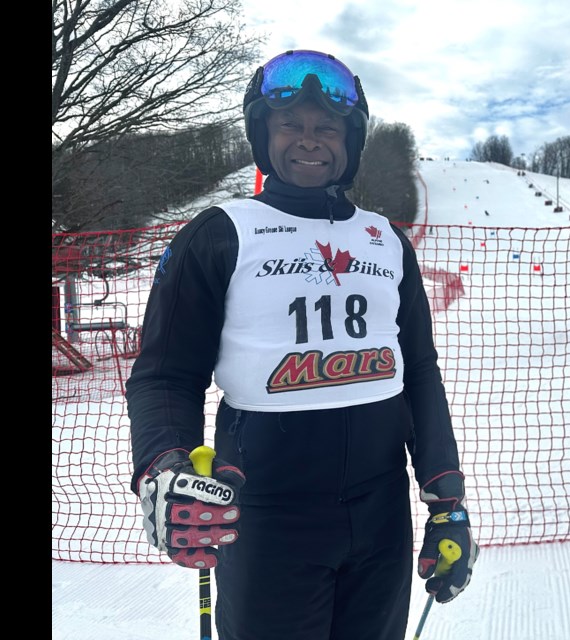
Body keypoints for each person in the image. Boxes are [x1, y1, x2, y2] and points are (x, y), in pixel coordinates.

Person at [126, 49, 478, 640]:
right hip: (265, 516)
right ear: (264, 135)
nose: (309, 140)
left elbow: (418, 371)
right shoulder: (221, 232)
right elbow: (164, 374)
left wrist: (447, 501)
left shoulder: (387, 241)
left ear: (352, 139)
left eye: (327, 127)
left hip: (380, 516)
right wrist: (164, 463)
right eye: (291, 125)